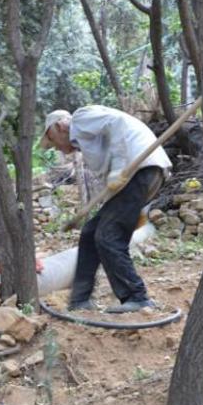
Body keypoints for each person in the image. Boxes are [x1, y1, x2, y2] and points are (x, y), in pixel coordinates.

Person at [40, 105, 172, 313]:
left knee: (108, 236)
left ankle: (137, 297)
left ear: (60, 127)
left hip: (140, 169)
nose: (55, 148)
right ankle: (80, 300)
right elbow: (114, 183)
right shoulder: (85, 139)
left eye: (52, 140)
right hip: (136, 176)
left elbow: (116, 125)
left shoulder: (80, 119)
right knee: (90, 232)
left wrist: (119, 167)